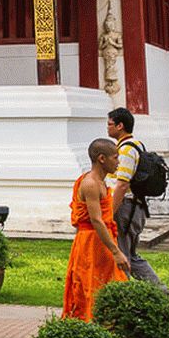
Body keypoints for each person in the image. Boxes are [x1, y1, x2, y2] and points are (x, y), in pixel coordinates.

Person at [107, 107, 169, 301]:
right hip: (135, 208)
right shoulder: (137, 145)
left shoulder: (126, 150)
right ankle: (164, 294)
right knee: (131, 256)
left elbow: (122, 185)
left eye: (110, 124)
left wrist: (109, 213)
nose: (107, 127)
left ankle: (124, 300)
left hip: (126, 209)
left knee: (122, 257)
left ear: (120, 126)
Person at [62, 138, 130, 321]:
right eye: (115, 158)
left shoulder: (101, 182)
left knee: (110, 284)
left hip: (102, 241)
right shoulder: (90, 184)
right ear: (102, 158)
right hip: (90, 244)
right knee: (90, 286)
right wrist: (116, 252)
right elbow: (96, 221)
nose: (118, 162)